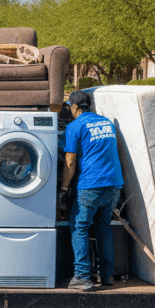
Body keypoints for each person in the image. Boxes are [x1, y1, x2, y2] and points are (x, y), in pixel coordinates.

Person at [59, 89, 124, 292]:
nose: (69, 110)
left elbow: (70, 160)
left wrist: (63, 188)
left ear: (75, 107)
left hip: (91, 184)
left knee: (79, 227)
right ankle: (107, 276)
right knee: (103, 227)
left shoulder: (75, 126)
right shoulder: (106, 123)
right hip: (114, 184)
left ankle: (82, 277)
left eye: (70, 106)